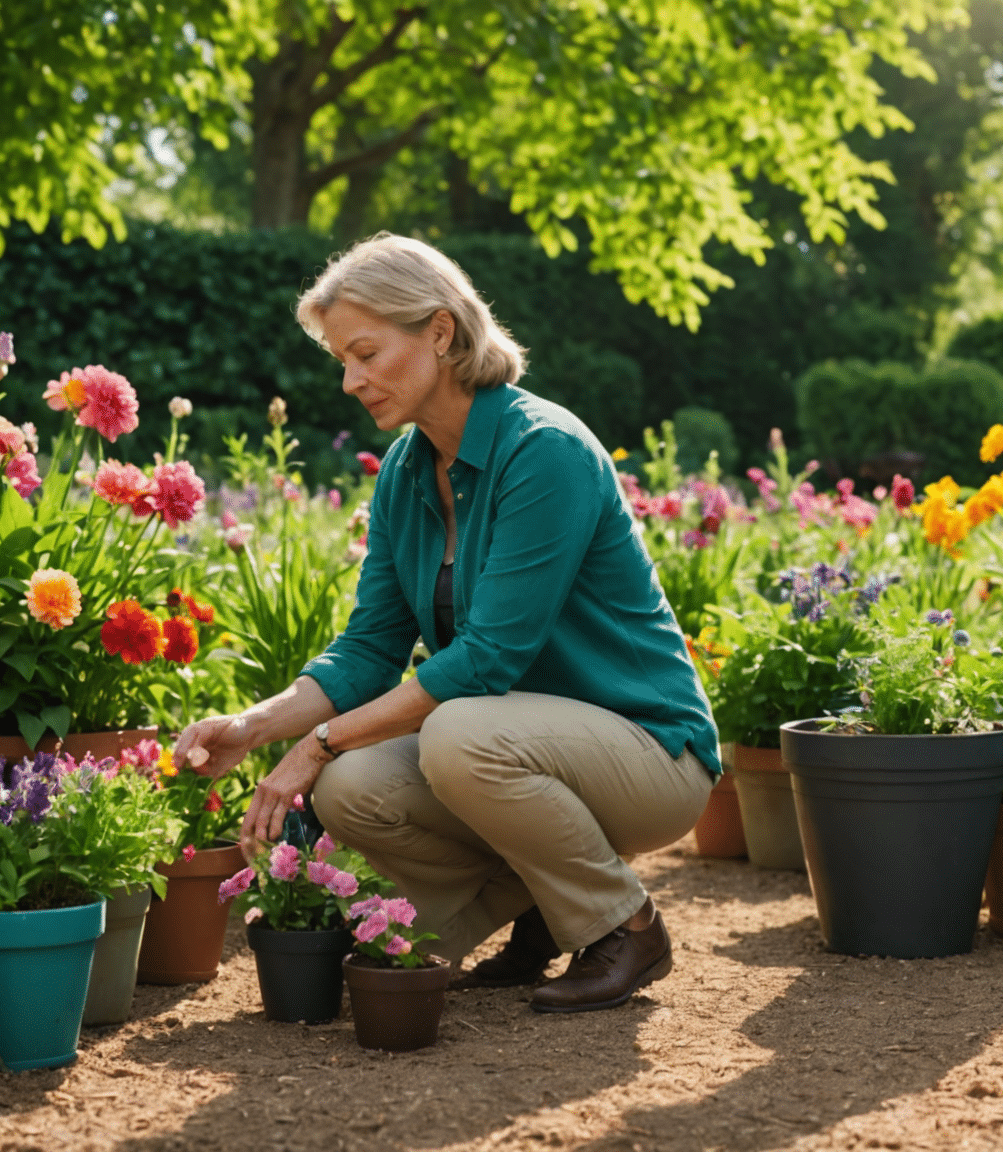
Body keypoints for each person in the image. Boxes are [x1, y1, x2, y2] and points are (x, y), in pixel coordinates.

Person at [173, 233, 720, 1013]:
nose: (349, 380)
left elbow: (488, 660)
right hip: (518, 749)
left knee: (454, 735)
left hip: (648, 754)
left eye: (365, 353)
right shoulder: (405, 472)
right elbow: (370, 647)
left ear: (439, 331)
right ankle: (544, 903)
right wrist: (254, 726)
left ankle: (624, 926)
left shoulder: (544, 450)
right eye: (341, 359)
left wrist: (317, 742)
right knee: (354, 784)